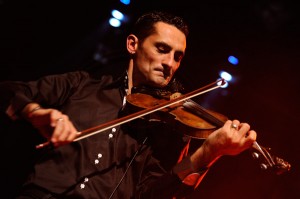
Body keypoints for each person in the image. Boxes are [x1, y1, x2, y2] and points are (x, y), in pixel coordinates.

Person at [0, 11, 257, 198]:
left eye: (178, 56)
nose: (170, 63)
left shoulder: (168, 129)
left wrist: (208, 153)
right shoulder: (81, 85)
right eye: (162, 49)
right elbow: (10, 91)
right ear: (132, 44)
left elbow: (156, 195)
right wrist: (37, 112)